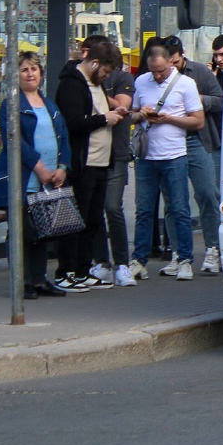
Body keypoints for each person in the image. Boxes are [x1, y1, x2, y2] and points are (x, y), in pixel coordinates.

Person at [0, 53, 72, 299]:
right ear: (17, 75)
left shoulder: (50, 105)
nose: (30, 74)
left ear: (40, 73)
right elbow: (15, 142)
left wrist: (62, 167)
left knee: (41, 232)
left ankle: (39, 279)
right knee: (22, 231)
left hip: (48, 181)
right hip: (23, 180)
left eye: (34, 69)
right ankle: (22, 281)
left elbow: (64, 138)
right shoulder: (11, 105)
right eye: (24, 69)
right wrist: (40, 168)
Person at [54, 35, 125, 290]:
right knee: (75, 219)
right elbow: (73, 122)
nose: (107, 76)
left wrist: (115, 114)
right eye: (106, 71)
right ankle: (66, 271)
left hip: (99, 162)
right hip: (81, 163)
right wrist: (105, 119)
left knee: (92, 220)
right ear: (94, 63)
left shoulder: (96, 85)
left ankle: (83, 270)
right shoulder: (72, 84)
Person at [129, 46, 204, 282]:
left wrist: (168, 118)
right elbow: (131, 114)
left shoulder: (185, 84)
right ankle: (139, 260)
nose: (157, 76)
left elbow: (198, 122)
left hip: (174, 155)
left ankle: (184, 259)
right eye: (153, 71)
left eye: (161, 70)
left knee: (180, 209)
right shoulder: (141, 81)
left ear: (171, 63)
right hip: (146, 157)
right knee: (143, 210)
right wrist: (141, 114)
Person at [163, 36, 223, 275]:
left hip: (197, 140)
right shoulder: (157, 75)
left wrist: (200, 100)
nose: (171, 67)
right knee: (172, 201)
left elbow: (220, 100)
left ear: (182, 56)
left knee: (208, 193)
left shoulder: (199, 71)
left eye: (175, 62)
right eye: (168, 63)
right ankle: (178, 254)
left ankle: (213, 249)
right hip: (169, 141)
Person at [94, 52, 137, 286]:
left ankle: (122, 263)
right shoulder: (85, 82)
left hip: (116, 153)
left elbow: (123, 106)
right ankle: (101, 263)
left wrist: (98, 94)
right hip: (92, 155)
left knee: (112, 207)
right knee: (95, 211)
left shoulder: (121, 79)